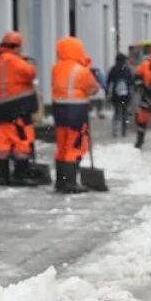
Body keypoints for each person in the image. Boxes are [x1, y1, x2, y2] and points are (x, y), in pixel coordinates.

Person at [0, 31, 41, 187]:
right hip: (19, 109)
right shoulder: (16, 62)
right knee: (22, 141)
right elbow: (31, 73)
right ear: (16, 47)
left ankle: (2, 176)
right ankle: (20, 175)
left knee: (2, 141)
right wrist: (27, 62)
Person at [51, 37, 101, 193]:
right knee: (74, 146)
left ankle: (60, 181)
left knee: (62, 146)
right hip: (77, 112)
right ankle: (70, 183)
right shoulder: (81, 70)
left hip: (59, 111)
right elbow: (93, 88)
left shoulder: (56, 68)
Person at [106, 53, 134, 137]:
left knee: (117, 112)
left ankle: (115, 130)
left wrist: (107, 94)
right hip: (125, 96)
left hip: (116, 95)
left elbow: (108, 82)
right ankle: (124, 130)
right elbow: (132, 82)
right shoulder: (127, 69)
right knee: (125, 113)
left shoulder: (113, 69)